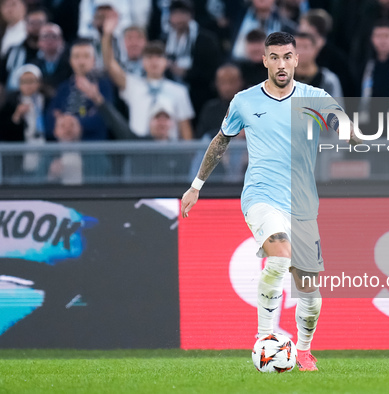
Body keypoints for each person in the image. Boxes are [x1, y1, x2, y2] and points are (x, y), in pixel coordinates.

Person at [180, 32, 358, 371]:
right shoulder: (245, 101)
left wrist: (348, 131)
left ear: (297, 60)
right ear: (264, 60)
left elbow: (340, 124)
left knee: (309, 292)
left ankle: (303, 350)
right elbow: (221, 141)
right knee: (279, 257)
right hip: (260, 195)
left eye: (286, 56)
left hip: (302, 203)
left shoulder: (315, 97)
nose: (280, 63)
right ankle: (265, 338)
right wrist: (196, 186)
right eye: (273, 57)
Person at [101, 9, 195, 140]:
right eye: (150, 57)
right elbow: (109, 64)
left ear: (166, 62)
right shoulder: (132, 85)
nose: (154, 61)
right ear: (143, 61)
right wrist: (107, 34)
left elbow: (186, 131)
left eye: (159, 57)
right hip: (139, 149)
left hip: (170, 152)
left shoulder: (179, 91)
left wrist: (187, 159)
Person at [45, 38, 114, 141]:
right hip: (64, 148)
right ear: (70, 60)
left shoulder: (103, 85)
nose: (81, 62)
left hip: (93, 148)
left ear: (94, 60)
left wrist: (72, 122)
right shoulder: (63, 87)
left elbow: (107, 119)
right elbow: (49, 120)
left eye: (86, 56)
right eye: (76, 56)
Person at [0, 7, 47, 93]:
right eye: (32, 23)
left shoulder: (50, 53)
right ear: (25, 25)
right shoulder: (13, 50)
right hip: (12, 97)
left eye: (39, 23)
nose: (36, 27)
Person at [294, 32, 342, 97]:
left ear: (315, 50)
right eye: (297, 47)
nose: (301, 52)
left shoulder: (328, 81)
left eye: (305, 47)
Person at [31, 23, 72, 97]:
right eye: (45, 36)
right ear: (39, 42)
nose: (49, 40)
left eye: (54, 36)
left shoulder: (71, 63)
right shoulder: (33, 65)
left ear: (61, 40)